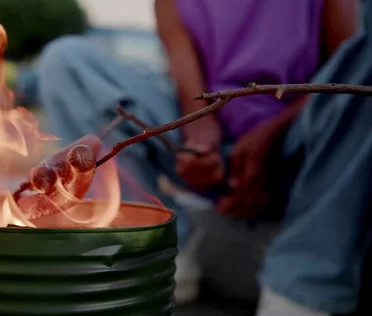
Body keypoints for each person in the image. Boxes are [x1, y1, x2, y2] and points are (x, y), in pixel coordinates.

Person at [36, 0, 369, 315]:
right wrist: (200, 149)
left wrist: (273, 133)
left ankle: (306, 284)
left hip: (304, 147)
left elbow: (348, 73)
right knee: (67, 60)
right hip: (222, 143)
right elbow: (194, 100)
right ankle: (153, 247)